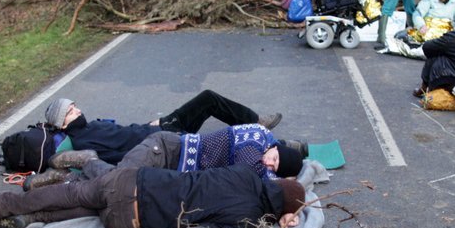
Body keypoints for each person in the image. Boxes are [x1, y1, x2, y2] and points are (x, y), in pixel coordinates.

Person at [0, 164, 307, 228]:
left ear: (276, 183)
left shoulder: (245, 174)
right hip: (131, 224)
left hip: (134, 182)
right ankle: (32, 218)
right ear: (283, 214)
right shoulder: (248, 226)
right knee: (96, 210)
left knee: (76, 194)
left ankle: (0, 204)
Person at [24, 124, 304, 189]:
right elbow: (248, 168)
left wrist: (278, 177)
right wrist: (279, 180)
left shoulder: (265, 153)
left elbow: (258, 177)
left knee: (117, 188)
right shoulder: (256, 137)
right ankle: (87, 160)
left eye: (274, 167)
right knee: (118, 179)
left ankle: (64, 178)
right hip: (167, 150)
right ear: (274, 147)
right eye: (274, 158)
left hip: (172, 171)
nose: (268, 163)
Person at [44, 92, 281, 164]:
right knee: (218, 143)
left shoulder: (93, 125)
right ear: (62, 122)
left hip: (161, 126)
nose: (78, 110)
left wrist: (152, 124)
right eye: (71, 111)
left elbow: (127, 132)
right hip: (164, 142)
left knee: (208, 99)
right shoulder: (84, 141)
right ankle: (271, 150)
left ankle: (255, 122)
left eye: (75, 106)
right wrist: (156, 143)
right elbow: (120, 157)